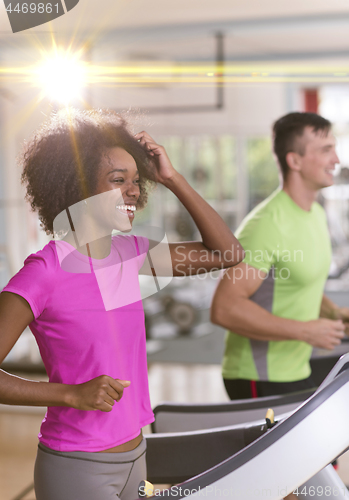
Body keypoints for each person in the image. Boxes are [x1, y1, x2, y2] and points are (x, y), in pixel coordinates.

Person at [0, 108, 244, 500]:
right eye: (119, 180)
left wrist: (172, 178)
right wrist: (70, 394)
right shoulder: (43, 273)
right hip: (77, 466)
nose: (133, 190)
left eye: (136, 181)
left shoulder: (131, 254)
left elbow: (228, 252)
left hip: (137, 454)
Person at [211, 112, 349, 401]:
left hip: (294, 367)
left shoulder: (316, 214)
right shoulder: (266, 224)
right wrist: (304, 331)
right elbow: (225, 307)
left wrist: (331, 312)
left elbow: (294, 280)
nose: (336, 159)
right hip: (257, 375)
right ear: (294, 160)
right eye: (326, 150)